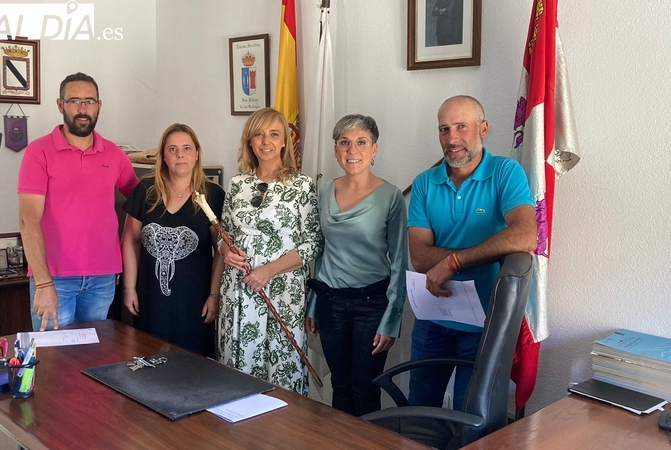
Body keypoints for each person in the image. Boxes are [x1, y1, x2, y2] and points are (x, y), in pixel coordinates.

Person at [407, 95, 536, 410]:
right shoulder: (425, 183)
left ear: (484, 128)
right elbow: (420, 257)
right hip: (432, 317)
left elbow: (525, 235)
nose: (452, 139)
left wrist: (453, 262)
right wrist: (486, 250)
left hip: (484, 321)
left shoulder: (506, 172)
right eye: (444, 129)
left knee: (470, 420)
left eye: (461, 127)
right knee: (419, 413)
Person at [18, 72, 139, 331]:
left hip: (103, 277)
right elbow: (29, 221)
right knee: (54, 361)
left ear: (99, 105)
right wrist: (43, 283)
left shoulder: (114, 154)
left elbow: (141, 201)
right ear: (60, 105)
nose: (83, 109)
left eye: (90, 101)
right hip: (55, 279)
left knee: (94, 359)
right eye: (74, 101)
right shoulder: (39, 152)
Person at [305, 115, 408, 416]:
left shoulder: (390, 197)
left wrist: (392, 320)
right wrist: (314, 304)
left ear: (374, 150)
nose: (353, 150)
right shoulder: (323, 191)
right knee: (340, 385)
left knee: (365, 387)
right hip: (331, 303)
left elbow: (400, 262)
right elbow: (320, 252)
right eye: (345, 143)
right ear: (336, 150)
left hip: (372, 305)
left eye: (361, 142)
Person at [218, 107, 321, 395]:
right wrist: (226, 252)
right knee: (239, 364)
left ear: (285, 141)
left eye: (274, 134)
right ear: (249, 141)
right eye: (259, 135)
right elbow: (224, 233)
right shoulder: (238, 184)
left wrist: (268, 270)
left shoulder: (301, 185)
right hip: (238, 289)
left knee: (281, 365)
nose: (266, 141)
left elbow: (312, 242)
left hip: (282, 289)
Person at [121, 124, 225, 357]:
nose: (180, 154)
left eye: (187, 148)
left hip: (195, 300)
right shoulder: (146, 191)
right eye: (173, 149)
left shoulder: (213, 195)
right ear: (163, 156)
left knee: (194, 367)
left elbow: (220, 250)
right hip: (151, 298)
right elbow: (130, 240)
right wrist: (129, 288)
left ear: (197, 153)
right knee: (149, 359)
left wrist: (214, 294)